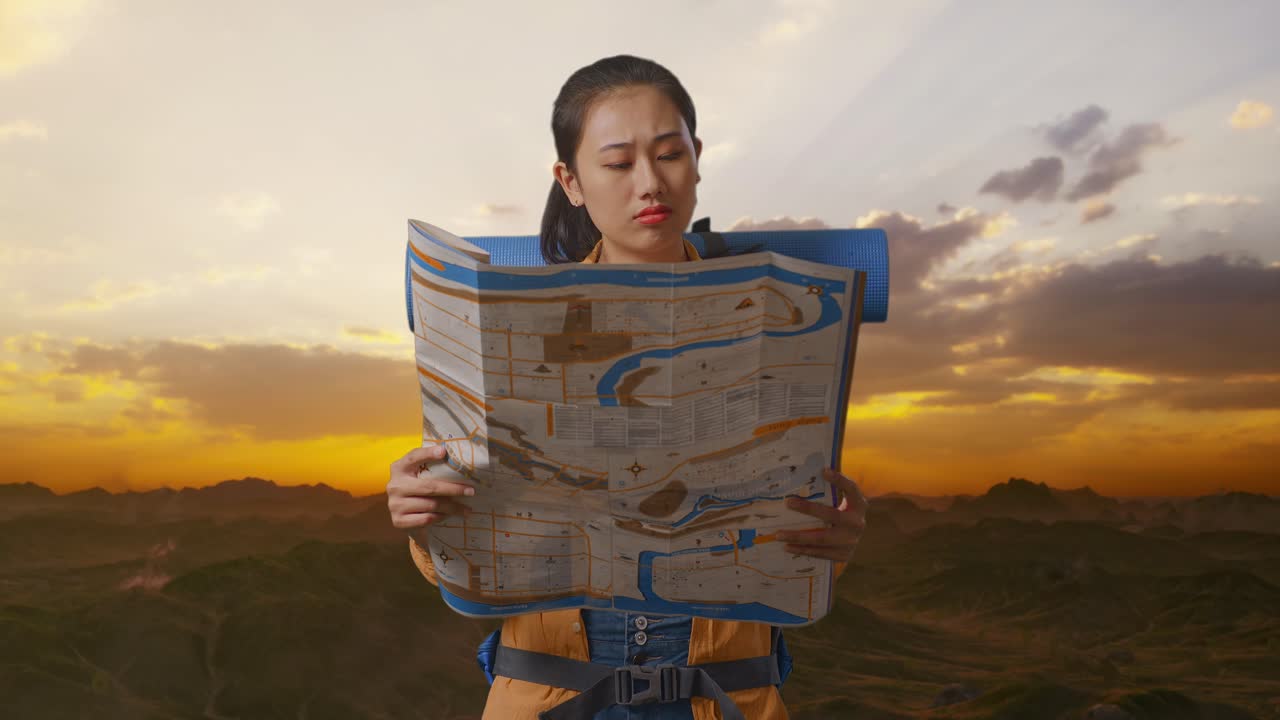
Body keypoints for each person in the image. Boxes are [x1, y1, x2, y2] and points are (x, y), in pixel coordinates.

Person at [387, 54, 869, 720]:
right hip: (548, 696)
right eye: (618, 164)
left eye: (670, 154)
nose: (650, 183)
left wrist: (831, 544)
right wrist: (425, 517)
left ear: (697, 157)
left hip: (728, 698)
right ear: (572, 180)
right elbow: (467, 558)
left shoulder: (775, 313)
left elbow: (787, 537)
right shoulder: (511, 325)